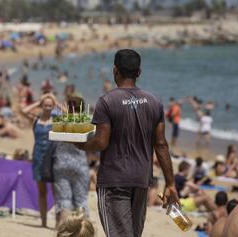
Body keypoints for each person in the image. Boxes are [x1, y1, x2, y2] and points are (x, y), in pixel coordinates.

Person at [74, 49, 179, 237]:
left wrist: (80, 144)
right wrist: (170, 183)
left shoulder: (106, 102)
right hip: (141, 180)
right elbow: (161, 145)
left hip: (114, 179)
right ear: (138, 72)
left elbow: (100, 142)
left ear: (115, 70)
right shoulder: (155, 102)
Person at [22, 94, 59, 227]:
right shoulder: (35, 119)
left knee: (56, 192)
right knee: (42, 192)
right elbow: (24, 111)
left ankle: (57, 223)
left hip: (53, 158)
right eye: (45, 105)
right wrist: (38, 101)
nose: (48, 108)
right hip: (38, 157)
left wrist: (56, 102)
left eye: (50, 105)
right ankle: (43, 222)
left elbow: (71, 115)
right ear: (41, 106)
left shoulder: (56, 119)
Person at [52, 142, 90, 227]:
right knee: (81, 200)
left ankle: (65, 231)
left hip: (61, 163)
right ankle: (83, 231)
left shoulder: (56, 127)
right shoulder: (84, 128)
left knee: (64, 200)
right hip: (80, 164)